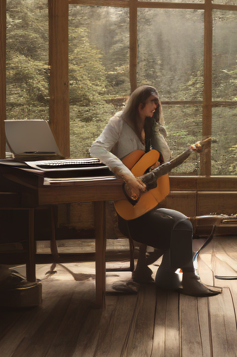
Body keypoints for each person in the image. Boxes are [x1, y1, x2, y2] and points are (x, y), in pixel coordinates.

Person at [90, 85, 220, 297]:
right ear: (139, 104)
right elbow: (97, 148)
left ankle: (166, 277)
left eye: (157, 102)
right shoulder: (118, 123)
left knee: (182, 224)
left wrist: (154, 129)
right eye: (153, 102)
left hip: (146, 203)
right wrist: (128, 176)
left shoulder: (151, 128)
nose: (157, 106)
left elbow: (164, 159)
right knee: (181, 225)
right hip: (127, 209)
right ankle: (188, 280)